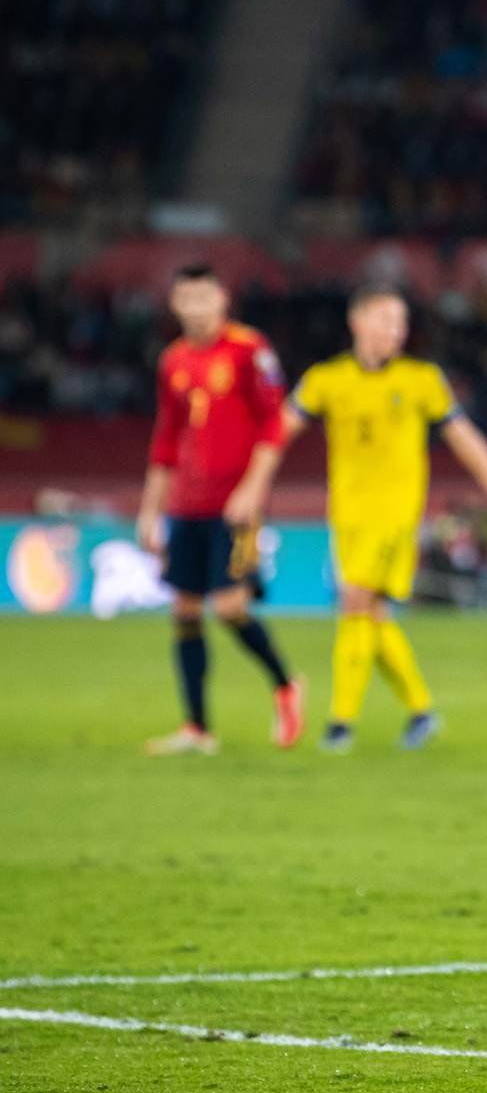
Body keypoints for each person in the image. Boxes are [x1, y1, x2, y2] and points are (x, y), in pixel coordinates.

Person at [278, 285, 487, 753]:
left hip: (395, 514)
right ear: (357, 322)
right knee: (371, 612)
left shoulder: (422, 380)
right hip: (348, 514)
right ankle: (421, 711)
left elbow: (465, 439)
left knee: (355, 600)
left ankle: (341, 723)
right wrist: (246, 479)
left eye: (400, 323)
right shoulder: (326, 379)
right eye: (386, 320)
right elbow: (277, 431)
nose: (396, 331)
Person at [137, 264, 303, 756]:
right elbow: (166, 439)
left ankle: (286, 685)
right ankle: (197, 728)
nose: (196, 308)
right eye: (186, 299)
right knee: (184, 610)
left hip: (236, 506)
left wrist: (253, 490)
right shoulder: (173, 361)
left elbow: (274, 426)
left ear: (222, 300)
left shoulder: (251, 350)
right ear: (175, 304)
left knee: (230, 606)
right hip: (186, 502)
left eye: (205, 298)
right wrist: (151, 510)